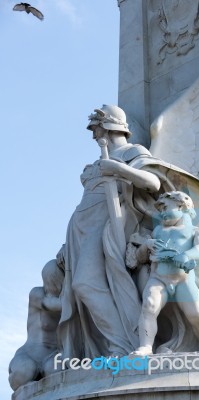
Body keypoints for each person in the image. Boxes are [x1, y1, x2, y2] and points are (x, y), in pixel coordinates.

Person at [59, 105, 161, 360]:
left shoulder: (133, 152)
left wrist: (119, 169)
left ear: (109, 126)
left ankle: (122, 344)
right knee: (77, 288)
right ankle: (113, 345)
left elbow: (153, 183)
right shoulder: (94, 164)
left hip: (105, 223)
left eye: (96, 127)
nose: (94, 134)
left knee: (85, 283)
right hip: (80, 226)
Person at [132, 191, 199, 356]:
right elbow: (140, 257)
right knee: (149, 306)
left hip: (183, 280)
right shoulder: (157, 231)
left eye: (165, 208)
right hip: (159, 278)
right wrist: (147, 245)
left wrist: (185, 255)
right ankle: (146, 347)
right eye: (160, 210)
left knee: (196, 315)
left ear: (181, 206)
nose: (162, 213)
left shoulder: (197, 231)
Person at [9, 260, 64, 390]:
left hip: (52, 355)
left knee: (57, 371)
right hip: (30, 354)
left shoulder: (68, 300)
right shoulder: (37, 294)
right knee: (25, 370)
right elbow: (53, 304)